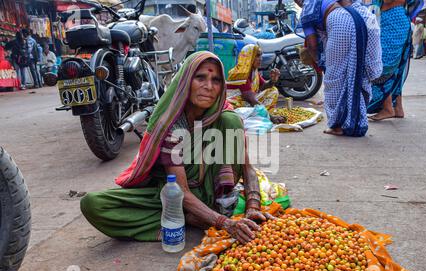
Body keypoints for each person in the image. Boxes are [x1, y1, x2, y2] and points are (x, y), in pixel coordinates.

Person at [80, 52, 273, 244]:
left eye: (216, 80)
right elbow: (180, 192)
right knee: (94, 204)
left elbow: (247, 167)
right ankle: (191, 217)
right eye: (200, 78)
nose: (208, 87)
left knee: (231, 121)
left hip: (212, 192)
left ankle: (195, 215)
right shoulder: (171, 124)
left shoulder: (224, 116)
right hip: (174, 196)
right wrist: (225, 224)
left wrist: (253, 206)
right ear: (185, 81)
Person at [296, 0, 382, 136]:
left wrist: (320, 62)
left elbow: (312, 45)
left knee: (334, 79)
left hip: (340, 22)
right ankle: (357, 120)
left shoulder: (307, 8)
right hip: (361, 18)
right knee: (358, 71)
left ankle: (337, 125)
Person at [366, 0, 423, 121]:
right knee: (396, 68)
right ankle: (398, 108)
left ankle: (387, 108)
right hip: (394, 19)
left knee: (382, 67)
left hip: (392, 20)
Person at [226, 44, 285, 123]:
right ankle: (264, 115)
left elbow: (263, 86)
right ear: (248, 57)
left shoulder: (253, 71)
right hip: (236, 106)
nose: (260, 59)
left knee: (273, 90)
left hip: (247, 102)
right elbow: (252, 100)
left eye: (260, 56)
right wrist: (271, 117)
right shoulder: (241, 74)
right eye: (257, 56)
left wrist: (273, 80)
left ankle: (262, 114)